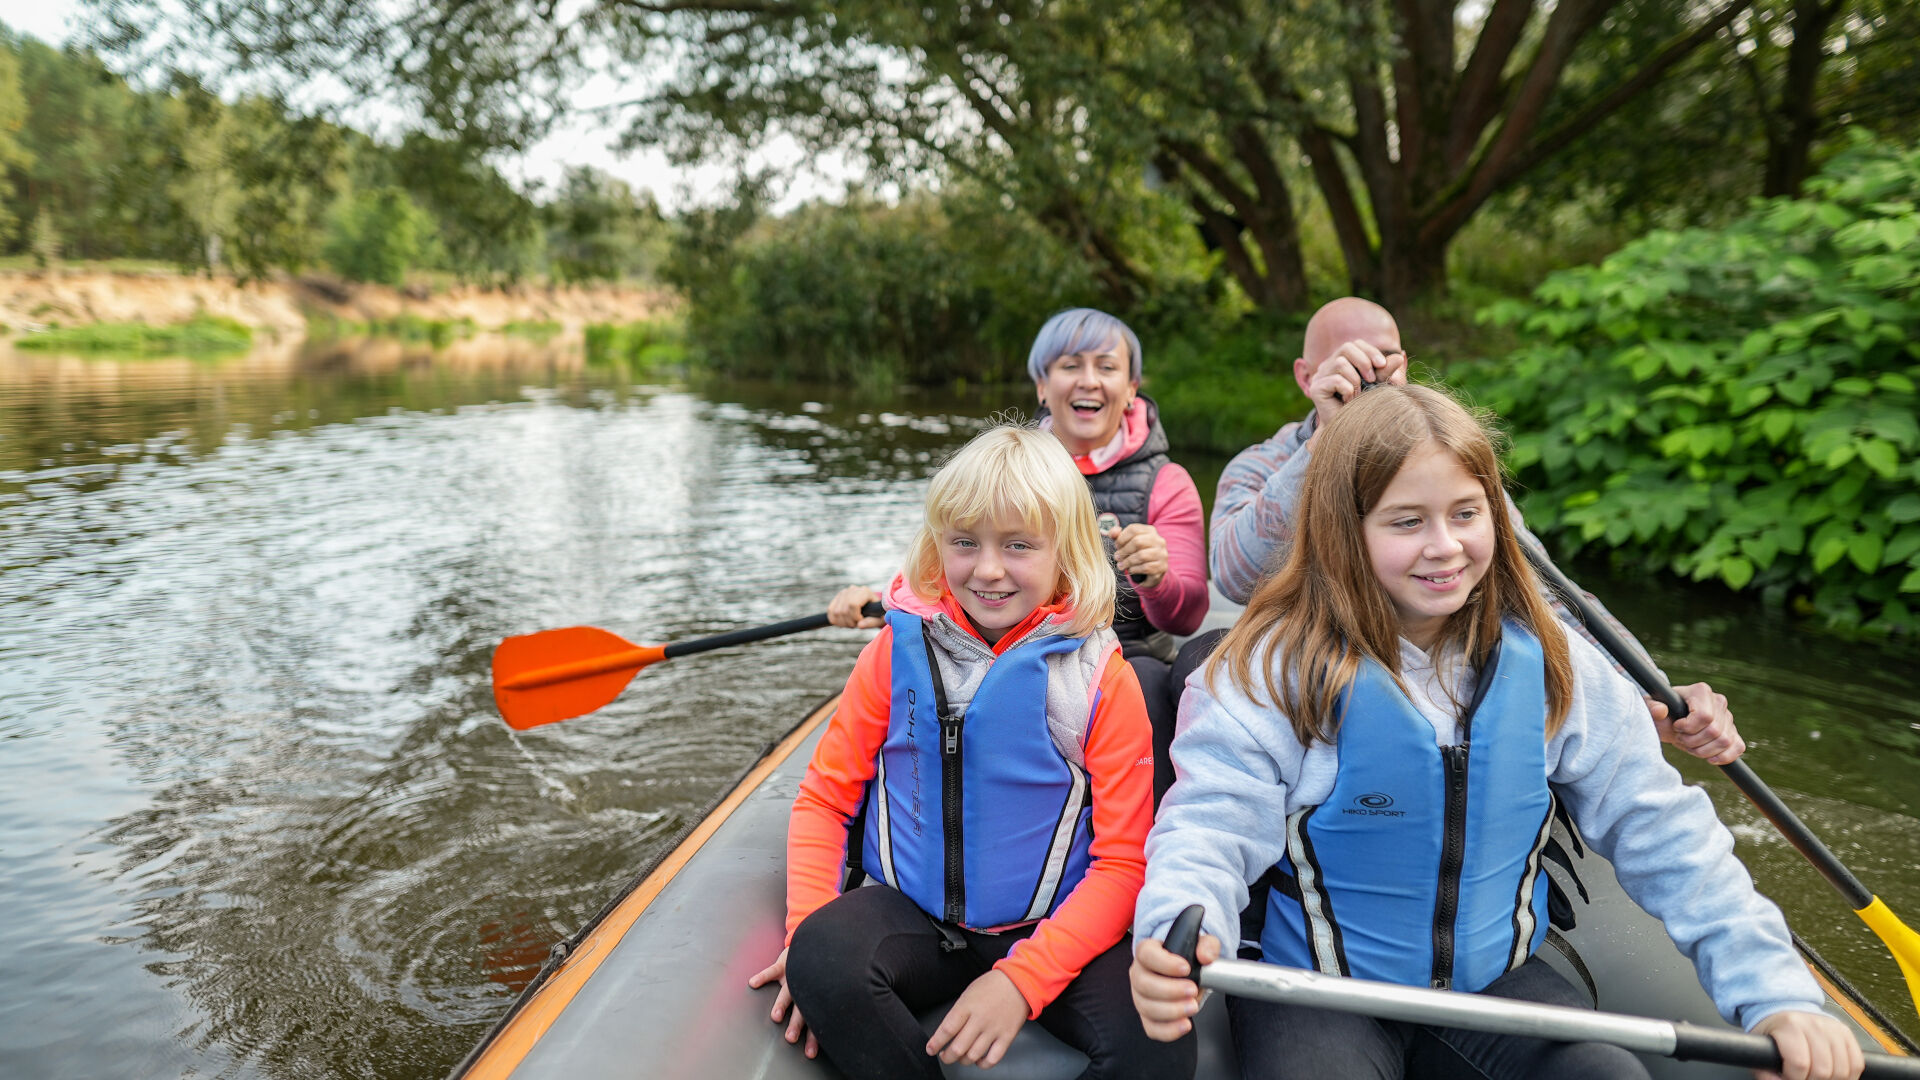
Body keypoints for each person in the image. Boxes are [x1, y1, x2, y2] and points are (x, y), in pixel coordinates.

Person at [1129, 385, 1861, 1080]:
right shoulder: (1270, 672)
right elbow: (1207, 828)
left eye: (1467, 514)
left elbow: (1665, 832)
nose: (1444, 546)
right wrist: (1172, 931)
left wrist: (1779, 997)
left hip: (1495, 981)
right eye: (1406, 521)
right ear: (1345, 533)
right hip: (1316, 987)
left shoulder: (1556, 664)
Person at [754, 425, 1193, 1080]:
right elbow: (825, 799)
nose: (988, 568)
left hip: (1052, 920)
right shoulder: (891, 654)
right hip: (917, 917)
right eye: (965, 543)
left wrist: (1021, 982)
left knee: (1159, 1044)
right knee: (819, 954)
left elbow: (1125, 862)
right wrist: (805, 930)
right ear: (938, 548)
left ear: (1066, 554)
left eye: (1017, 545)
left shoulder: (1102, 676)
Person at [1193, 296, 1745, 766]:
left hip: (1448, 669)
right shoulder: (1261, 464)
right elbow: (1238, 578)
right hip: (1329, 671)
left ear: (1404, 363)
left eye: (1382, 362)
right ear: (1306, 376)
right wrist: (1326, 443)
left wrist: (1652, 695)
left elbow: (1542, 588)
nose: (1368, 377)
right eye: (1347, 364)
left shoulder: (1448, 466)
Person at [831, 307, 1209, 804]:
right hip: (1006, 639)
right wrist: (885, 603)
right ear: (1041, 384)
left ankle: (1130, 841)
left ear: (1132, 387)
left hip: (1126, 650)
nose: (1088, 381)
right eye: (1070, 365)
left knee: (1141, 684)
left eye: (1107, 367)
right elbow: (956, 555)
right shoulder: (998, 466)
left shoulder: (1167, 482)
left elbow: (1187, 615)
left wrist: (1156, 579)